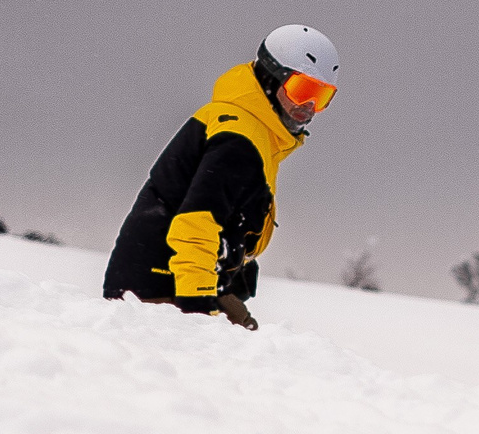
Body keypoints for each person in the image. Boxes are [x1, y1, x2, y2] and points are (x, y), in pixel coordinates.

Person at [102, 25, 340, 329]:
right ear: (271, 76)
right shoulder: (240, 137)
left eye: (321, 97)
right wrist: (198, 314)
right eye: (302, 90)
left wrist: (234, 266)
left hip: (171, 280)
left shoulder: (255, 130)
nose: (309, 108)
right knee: (247, 356)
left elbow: (228, 214)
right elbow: (196, 224)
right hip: (155, 293)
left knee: (251, 338)